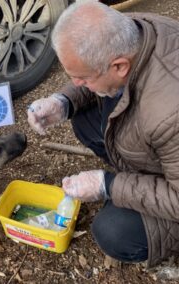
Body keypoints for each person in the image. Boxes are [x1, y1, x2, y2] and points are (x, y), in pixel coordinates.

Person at [27, 1, 179, 269]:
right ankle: (139, 174)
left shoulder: (170, 112)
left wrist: (108, 185)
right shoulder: (133, 29)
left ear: (120, 66)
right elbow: (96, 70)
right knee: (84, 117)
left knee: (114, 231)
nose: (77, 84)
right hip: (166, 150)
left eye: (82, 79)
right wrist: (64, 101)